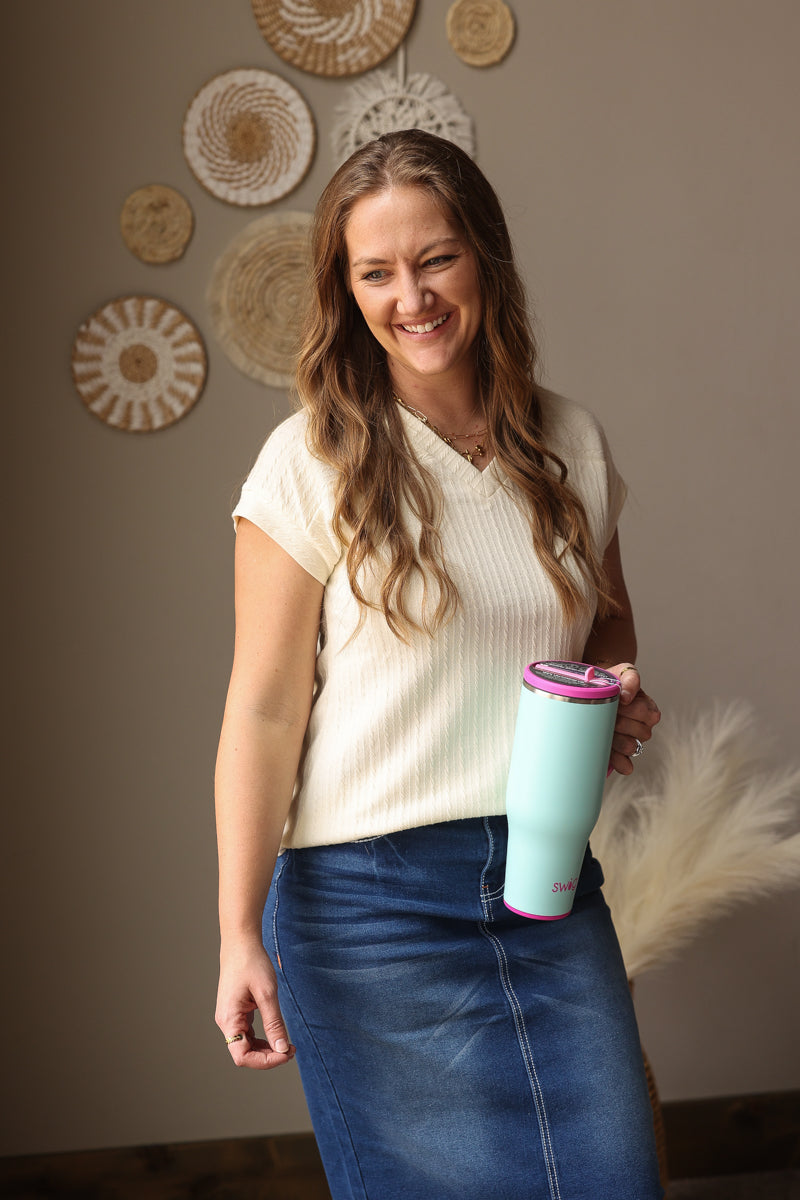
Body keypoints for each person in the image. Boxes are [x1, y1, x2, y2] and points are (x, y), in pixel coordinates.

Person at [214, 129, 664, 1200]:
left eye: (436, 260)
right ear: (345, 289)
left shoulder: (570, 443)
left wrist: (614, 693)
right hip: (366, 912)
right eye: (375, 272)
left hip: (548, 880)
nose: (410, 297)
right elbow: (264, 712)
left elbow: (605, 628)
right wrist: (235, 932)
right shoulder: (306, 462)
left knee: (614, 1179)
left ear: (485, 260)